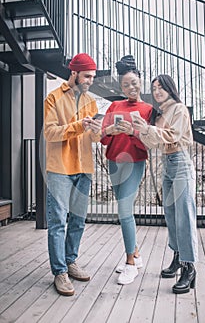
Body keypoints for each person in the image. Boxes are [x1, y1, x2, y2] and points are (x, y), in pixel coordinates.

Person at [132, 74, 198, 294]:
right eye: (154, 88)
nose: (157, 91)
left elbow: (173, 135)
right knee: (171, 214)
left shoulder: (179, 109)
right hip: (167, 164)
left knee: (184, 216)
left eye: (161, 87)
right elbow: (153, 142)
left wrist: (150, 131)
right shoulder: (159, 114)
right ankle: (178, 257)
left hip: (180, 162)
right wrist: (142, 129)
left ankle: (189, 268)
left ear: (170, 88)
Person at [44, 53, 102, 296]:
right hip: (59, 168)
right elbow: (50, 133)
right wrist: (79, 126)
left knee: (77, 221)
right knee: (58, 221)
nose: (90, 80)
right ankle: (59, 272)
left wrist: (100, 131)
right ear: (74, 72)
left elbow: (95, 138)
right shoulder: (53, 98)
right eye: (87, 76)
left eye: (93, 76)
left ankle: (70, 262)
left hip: (84, 168)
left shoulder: (91, 102)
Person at [100, 55, 153, 285]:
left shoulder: (149, 109)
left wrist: (135, 131)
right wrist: (111, 129)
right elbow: (102, 137)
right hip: (114, 161)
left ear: (140, 81)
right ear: (121, 87)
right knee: (123, 210)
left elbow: (151, 142)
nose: (130, 87)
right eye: (125, 85)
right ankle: (136, 254)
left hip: (134, 162)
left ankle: (130, 263)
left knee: (124, 209)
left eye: (134, 83)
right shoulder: (114, 105)